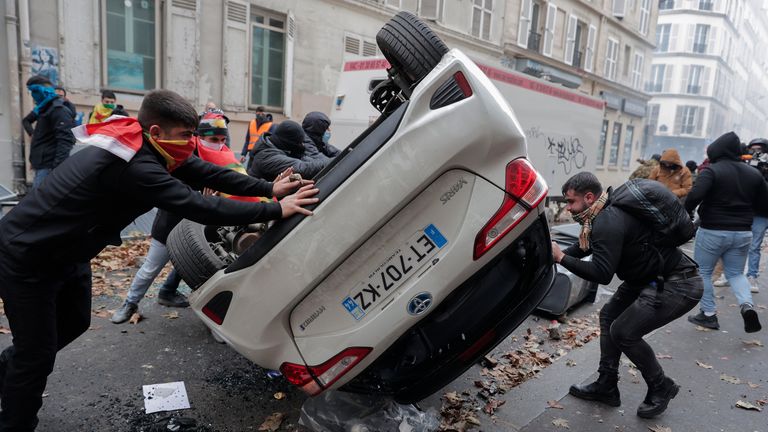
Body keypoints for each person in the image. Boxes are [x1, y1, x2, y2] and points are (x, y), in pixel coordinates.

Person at [0, 89, 319, 430]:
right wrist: (274, 209)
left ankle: (11, 368)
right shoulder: (133, 165)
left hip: (67, 254)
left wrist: (268, 189)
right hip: (27, 256)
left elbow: (208, 173)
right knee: (36, 356)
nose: (192, 142)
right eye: (186, 135)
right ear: (156, 132)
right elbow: (197, 205)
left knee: (74, 323)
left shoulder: (149, 145)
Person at [553, 172, 702, 419]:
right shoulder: (602, 214)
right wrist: (554, 255)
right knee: (609, 316)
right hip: (649, 278)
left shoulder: (606, 221)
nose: (568, 208)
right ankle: (606, 384)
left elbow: (601, 273)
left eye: (571, 202)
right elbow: (587, 246)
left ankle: (661, 386)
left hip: (678, 283)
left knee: (624, 332)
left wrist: (561, 258)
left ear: (589, 198)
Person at [112, 111, 267, 323]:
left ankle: (173, 296)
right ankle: (130, 303)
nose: (219, 145)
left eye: (222, 140)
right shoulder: (179, 156)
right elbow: (172, 191)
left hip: (200, 230)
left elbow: (234, 183)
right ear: (198, 137)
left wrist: (268, 193)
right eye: (213, 139)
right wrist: (200, 199)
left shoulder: (224, 158)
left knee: (195, 266)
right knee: (150, 269)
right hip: (170, 226)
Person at [685, 132, 767, 333]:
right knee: (736, 273)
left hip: (713, 230)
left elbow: (694, 196)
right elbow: (764, 204)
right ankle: (746, 305)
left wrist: (685, 212)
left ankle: (709, 315)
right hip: (742, 233)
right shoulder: (754, 174)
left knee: (703, 272)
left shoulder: (712, 171)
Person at [21, 75, 76, 188]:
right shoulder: (44, 109)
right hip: (42, 166)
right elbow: (42, 138)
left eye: (34, 91)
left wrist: (56, 169)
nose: (32, 95)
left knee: (42, 203)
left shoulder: (58, 110)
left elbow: (66, 140)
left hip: (49, 168)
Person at [248, 120, 329, 181]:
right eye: (299, 143)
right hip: (262, 200)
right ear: (288, 142)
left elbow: (306, 159)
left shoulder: (279, 147)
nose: (302, 145)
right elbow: (303, 169)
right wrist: (335, 161)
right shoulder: (267, 156)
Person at [744, 137, 768, 293]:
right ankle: (730, 274)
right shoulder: (745, 166)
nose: (756, 153)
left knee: (754, 246)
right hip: (745, 209)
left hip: (762, 212)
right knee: (735, 243)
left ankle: (752, 276)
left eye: (759, 149)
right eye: (753, 149)